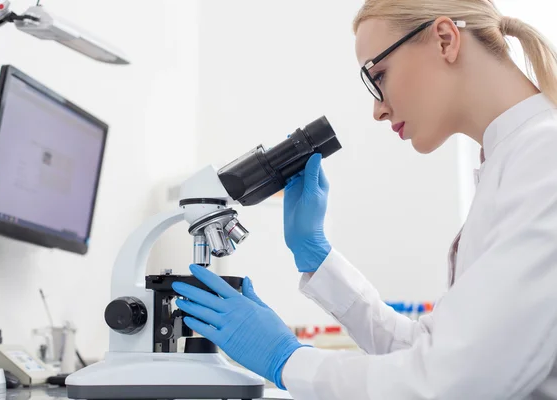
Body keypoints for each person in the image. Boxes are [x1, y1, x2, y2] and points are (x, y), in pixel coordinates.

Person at [172, 0, 557, 398]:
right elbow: (432, 353)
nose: (377, 109)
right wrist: (318, 258)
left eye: (379, 76)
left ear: (445, 40)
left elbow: (455, 381)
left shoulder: (544, 158)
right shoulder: (514, 160)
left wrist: (286, 358)